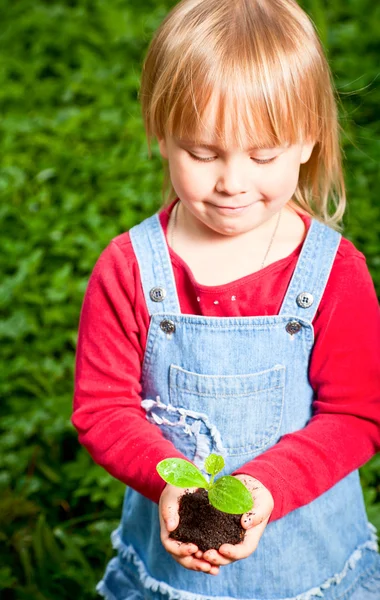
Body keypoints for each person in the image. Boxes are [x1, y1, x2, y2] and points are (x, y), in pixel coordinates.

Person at [72, 0, 380, 598]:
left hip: (311, 567)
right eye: (204, 153)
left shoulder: (333, 273)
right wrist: (169, 482)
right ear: (161, 135)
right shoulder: (129, 269)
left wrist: (266, 487)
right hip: (170, 574)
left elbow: (356, 414)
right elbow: (104, 409)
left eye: (263, 155)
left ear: (309, 140)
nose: (232, 181)